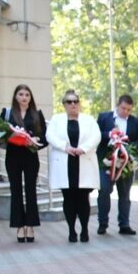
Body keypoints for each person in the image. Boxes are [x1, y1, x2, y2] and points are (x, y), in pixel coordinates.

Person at [47, 90, 101, 243]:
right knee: (69, 199)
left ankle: (84, 230)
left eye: (75, 101)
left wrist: (83, 148)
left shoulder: (88, 120)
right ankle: (71, 230)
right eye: (69, 102)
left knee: (83, 199)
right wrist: (65, 147)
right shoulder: (56, 120)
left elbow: (96, 136)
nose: (73, 104)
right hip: (66, 162)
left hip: (83, 161)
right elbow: (49, 136)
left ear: (79, 104)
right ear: (64, 104)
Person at [1, 84, 47, 242]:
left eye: (27, 94)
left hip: (30, 156)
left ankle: (30, 225)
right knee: (16, 190)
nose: (24, 97)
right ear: (15, 96)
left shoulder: (37, 114)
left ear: (30, 97)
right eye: (21, 94)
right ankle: (19, 226)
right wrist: (11, 137)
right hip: (13, 156)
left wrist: (35, 141)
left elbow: (44, 138)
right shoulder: (7, 113)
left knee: (30, 190)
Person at [96, 93, 138, 235]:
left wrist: (129, 145)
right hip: (107, 162)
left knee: (124, 194)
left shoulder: (135, 122)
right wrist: (109, 135)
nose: (126, 112)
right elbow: (96, 135)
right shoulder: (104, 117)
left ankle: (124, 225)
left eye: (129, 110)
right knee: (104, 190)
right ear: (118, 105)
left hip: (126, 163)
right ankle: (102, 224)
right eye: (123, 108)